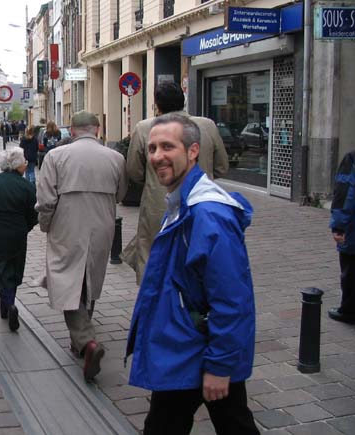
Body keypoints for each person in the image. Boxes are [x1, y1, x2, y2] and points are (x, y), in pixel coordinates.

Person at [125, 114, 258, 435]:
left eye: (167, 147)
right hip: (184, 345)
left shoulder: (208, 214)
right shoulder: (181, 203)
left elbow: (232, 298)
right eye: (152, 148)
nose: (157, 156)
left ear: (193, 151)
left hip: (195, 349)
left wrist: (220, 366)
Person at [36, 111, 128, 381]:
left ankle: (86, 341)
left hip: (67, 221)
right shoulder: (115, 158)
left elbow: (46, 199)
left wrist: (46, 224)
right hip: (102, 222)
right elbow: (121, 193)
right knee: (91, 274)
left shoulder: (56, 156)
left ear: (72, 131)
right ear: (97, 130)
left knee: (67, 279)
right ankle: (81, 340)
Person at [123, 82, 229, 284]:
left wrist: (154, 181)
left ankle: (155, 297)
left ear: (157, 105)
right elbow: (222, 167)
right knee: (198, 252)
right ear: (183, 100)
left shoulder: (145, 128)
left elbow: (134, 171)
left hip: (158, 206)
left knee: (153, 255)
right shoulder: (207, 125)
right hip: (201, 204)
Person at [0, 148, 38, 331]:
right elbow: (34, 214)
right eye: (24, 162)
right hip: (17, 232)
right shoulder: (27, 186)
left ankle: (7, 303)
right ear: (18, 165)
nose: (26, 165)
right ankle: (9, 304)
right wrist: (25, 227)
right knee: (14, 269)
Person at [328, 150, 355, 324]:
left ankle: (349, 311)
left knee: (351, 269)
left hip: (352, 229)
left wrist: (339, 225)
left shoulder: (352, 158)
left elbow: (345, 194)